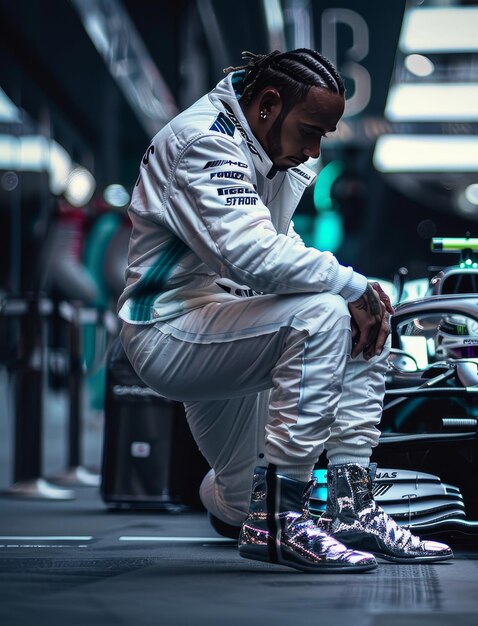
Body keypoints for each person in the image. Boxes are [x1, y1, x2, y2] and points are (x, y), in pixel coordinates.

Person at [118, 49, 453, 573]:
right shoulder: (205, 141)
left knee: (235, 501)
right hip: (170, 330)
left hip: (233, 323)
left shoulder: (271, 143)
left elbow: (277, 241)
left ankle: (349, 507)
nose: (315, 149)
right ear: (269, 105)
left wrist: (357, 294)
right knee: (330, 310)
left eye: (325, 134)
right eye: (311, 131)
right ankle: (280, 518)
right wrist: (352, 285)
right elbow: (252, 254)